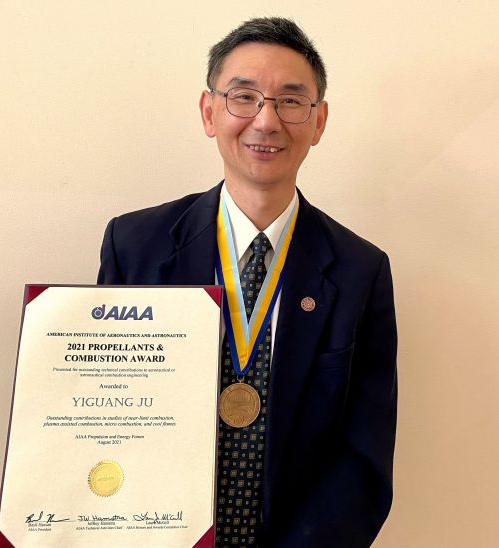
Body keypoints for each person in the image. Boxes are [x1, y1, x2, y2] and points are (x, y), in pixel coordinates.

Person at [98, 17, 397, 548]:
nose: (265, 121)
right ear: (209, 111)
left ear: (318, 121)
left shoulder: (360, 271)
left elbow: (363, 456)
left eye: (290, 100)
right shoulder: (134, 245)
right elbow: (102, 415)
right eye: (244, 96)